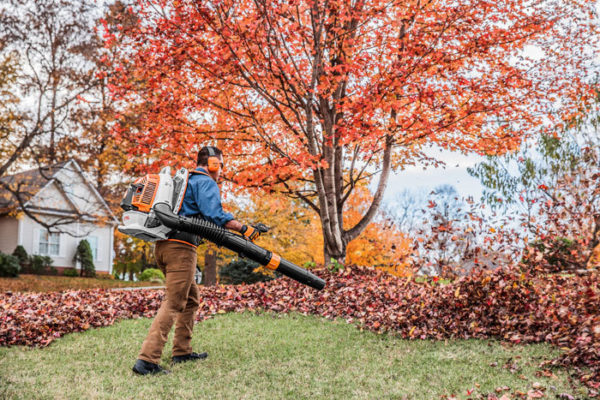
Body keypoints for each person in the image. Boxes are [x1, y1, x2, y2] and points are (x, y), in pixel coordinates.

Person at [132, 146, 262, 375]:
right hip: (181, 249)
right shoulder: (205, 182)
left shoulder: (184, 181)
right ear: (213, 163)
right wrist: (245, 229)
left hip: (164, 247)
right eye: (220, 164)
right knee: (174, 302)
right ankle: (147, 361)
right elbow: (215, 215)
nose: (221, 169)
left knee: (191, 299)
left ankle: (181, 351)